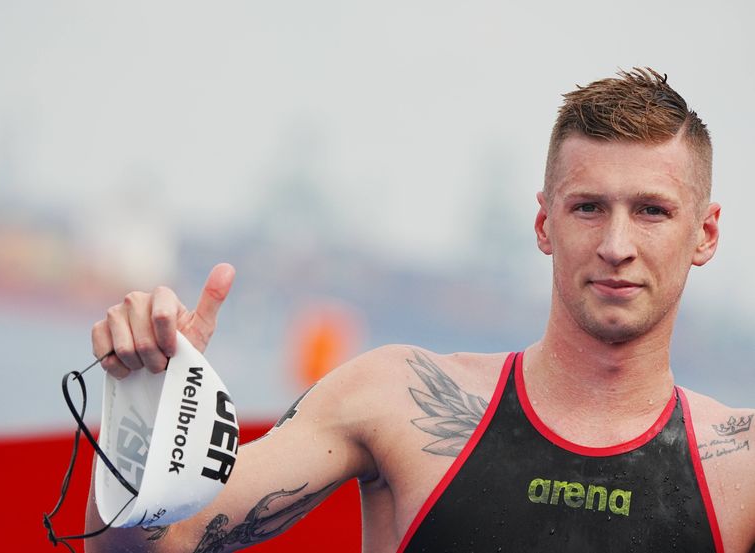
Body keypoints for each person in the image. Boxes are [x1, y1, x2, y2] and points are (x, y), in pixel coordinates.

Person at [85, 68, 755, 552]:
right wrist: (146, 399)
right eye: (588, 207)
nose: (615, 245)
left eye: (651, 211)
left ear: (706, 233)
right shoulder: (398, 398)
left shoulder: (742, 464)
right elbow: (153, 548)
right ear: (545, 223)